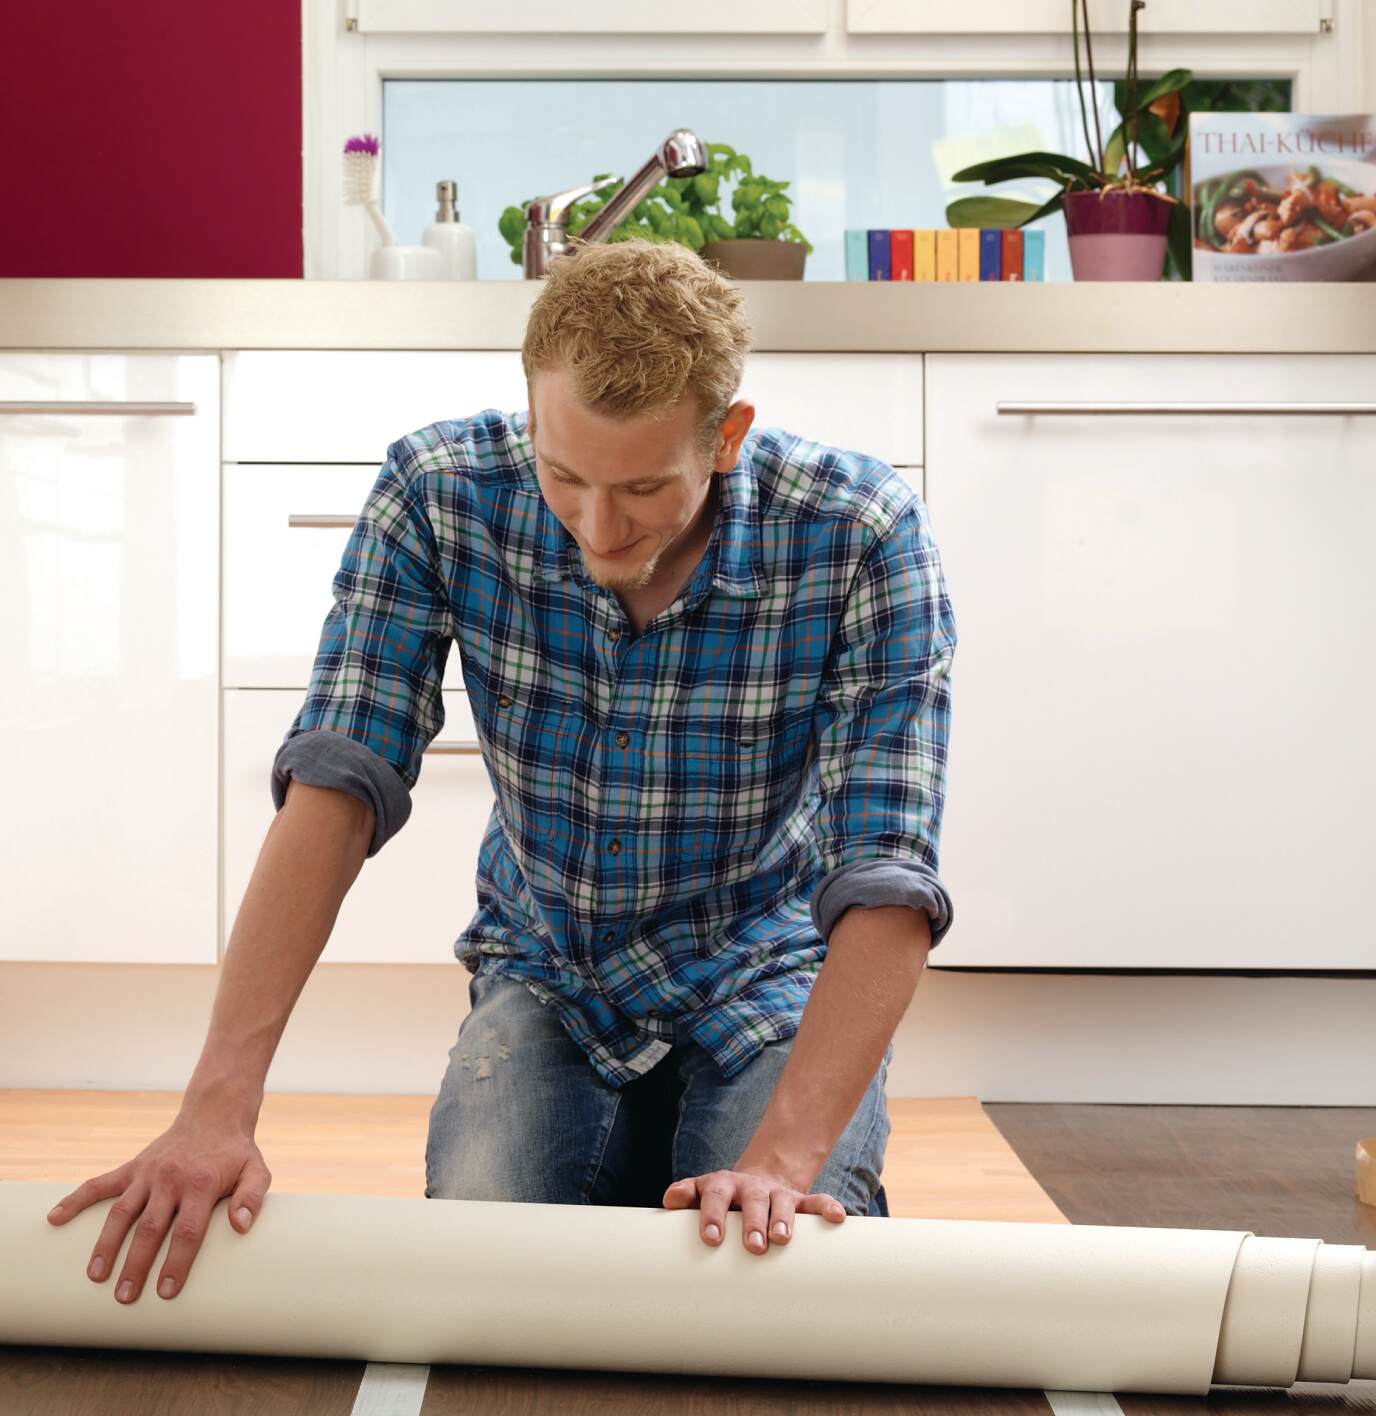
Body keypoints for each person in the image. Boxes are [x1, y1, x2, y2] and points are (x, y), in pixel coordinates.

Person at [47, 238, 958, 1307]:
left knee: (778, 1284)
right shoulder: (439, 492)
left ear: (725, 437)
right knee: (483, 1281)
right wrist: (215, 1105)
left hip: (765, 975)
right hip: (550, 976)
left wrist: (783, 1160)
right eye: (563, 475)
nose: (598, 528)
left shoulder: (859, 530)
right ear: (530, 415)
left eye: (642, 488)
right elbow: (338, 782)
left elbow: (886, 873)